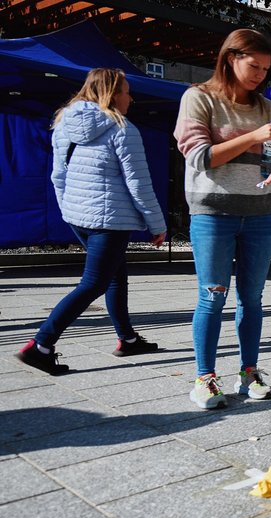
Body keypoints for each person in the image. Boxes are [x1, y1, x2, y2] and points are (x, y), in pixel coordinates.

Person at [15, 68, 167, 375]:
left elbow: (58, 175)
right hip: (109, 219)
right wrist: (157, 225)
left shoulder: (64, 123)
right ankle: (41, 345)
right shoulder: (122, 129)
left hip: (79, 216)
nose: (131, 97)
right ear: (110, 95)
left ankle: (127, 338)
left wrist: (68, 208)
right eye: (126, 91)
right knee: (94, 282)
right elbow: (138, 183)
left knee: (114, 275)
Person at [174, 28, 271, 409]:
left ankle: (249, 372)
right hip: (213, 212)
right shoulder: (199, 98)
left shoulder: (269, 107)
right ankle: (205, 377)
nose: (260, 74)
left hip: (258, 214)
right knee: (212, 296)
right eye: (253, 66)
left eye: (266, 68)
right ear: (230, 58)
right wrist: (253, 136)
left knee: (253, 298)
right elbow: (200, 158)